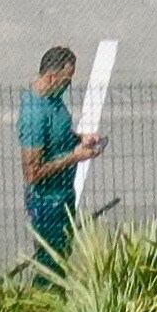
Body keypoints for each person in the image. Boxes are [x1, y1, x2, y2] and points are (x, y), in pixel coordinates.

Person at [19, 47, 99, 266]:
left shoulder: (52, 99)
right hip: (48, 203)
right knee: (51, 262)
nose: (68, 85)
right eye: (66, 80)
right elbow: (32, 173)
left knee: (63, 253)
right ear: (51, 77)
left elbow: (58, 135)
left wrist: (79, 139)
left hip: (62, 195)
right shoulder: (35, 115)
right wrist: (74, 157)